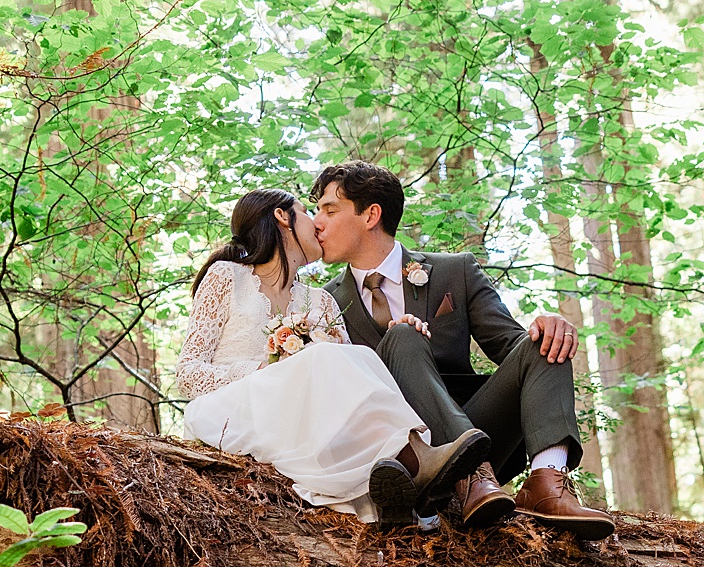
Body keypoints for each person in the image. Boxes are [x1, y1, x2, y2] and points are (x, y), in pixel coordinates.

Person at [310, 161, 615, 539]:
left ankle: (546, 483)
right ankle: (465, 474)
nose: (316, 222)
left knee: (544, 340)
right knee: (403, 336)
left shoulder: (455, 271)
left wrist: (547, 324)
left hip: (481, 436)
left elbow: (511, 347)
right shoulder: (322, 304)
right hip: (401, 457)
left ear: (371, 214)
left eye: (329, 209)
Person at [176, 189, 492, 524]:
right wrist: (264, 370)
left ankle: (397, 481)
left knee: (355, 359)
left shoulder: (322, 301)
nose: (317, 223)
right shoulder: (228, 277)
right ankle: (416, 463)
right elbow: (187, 373)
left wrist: (395, 333)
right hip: (231, 413)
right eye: (307, 210)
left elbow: (349, 385)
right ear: (283, 217)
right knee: (322, 358)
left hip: (297, 420)